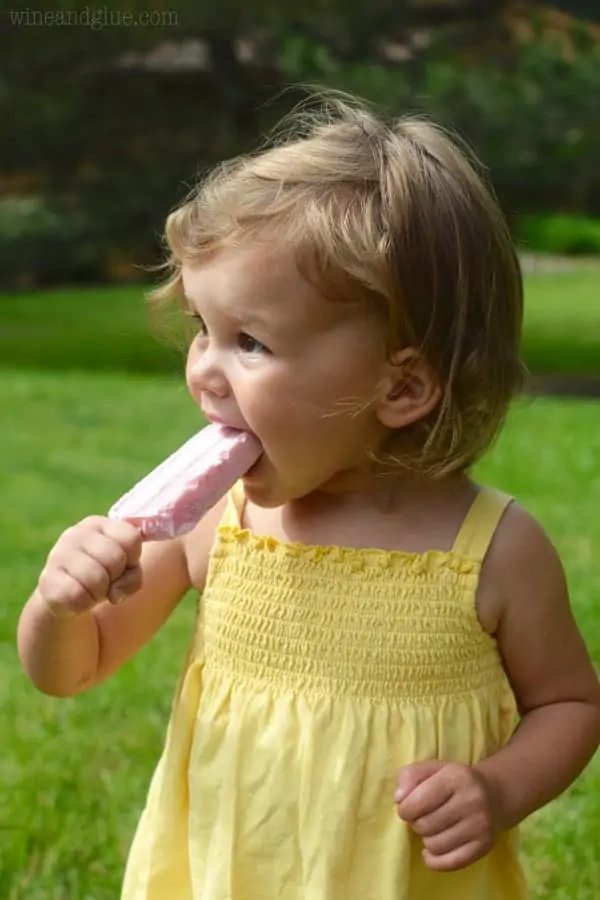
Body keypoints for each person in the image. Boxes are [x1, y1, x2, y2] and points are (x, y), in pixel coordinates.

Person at [17, 92, 600, 900]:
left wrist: (498, 789)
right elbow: (70, 672)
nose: (205, 370)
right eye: (202, 327)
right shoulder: (217, 524)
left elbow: (569, 704)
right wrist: (60, 606)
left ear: (402, 386)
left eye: (249, 342)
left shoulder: (495, 550)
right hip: (226, 872)